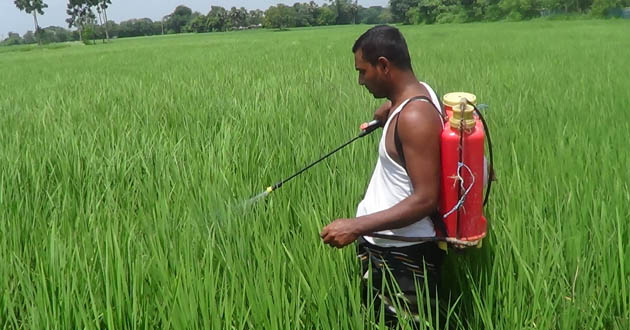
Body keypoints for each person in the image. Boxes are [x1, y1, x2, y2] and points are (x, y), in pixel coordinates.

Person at [319, 25, 446, 325]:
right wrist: (390, 108)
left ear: (384, 65)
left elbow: (426, 199)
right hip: (387, 250)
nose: (361, 80)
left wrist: (355, 226)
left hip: (404, 259)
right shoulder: (419, 92)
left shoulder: (414, 118)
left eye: (363, 71)